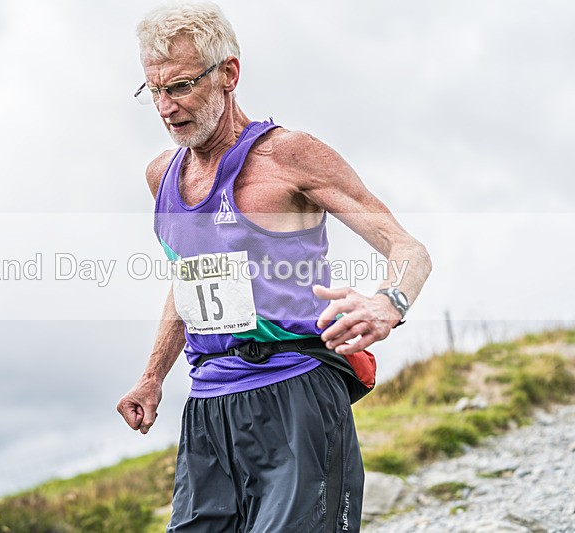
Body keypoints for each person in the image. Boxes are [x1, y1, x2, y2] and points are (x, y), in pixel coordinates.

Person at [116, 2, 432, 532]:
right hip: (210, 405)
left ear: (229, 75)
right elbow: (189, 280)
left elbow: (408, 249)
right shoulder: (161, 177)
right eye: (154, 91)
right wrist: (152, 378)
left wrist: (388, 303)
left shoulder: (288, 156)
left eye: (182, 86)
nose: (166, 108)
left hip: (296, 394)